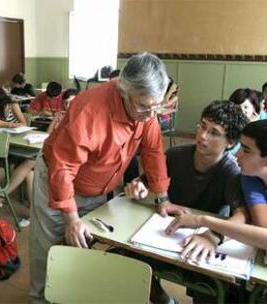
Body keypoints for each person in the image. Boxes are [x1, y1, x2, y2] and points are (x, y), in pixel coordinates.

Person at [30, 52, 176, 303]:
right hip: (58, 180)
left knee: (89, 248)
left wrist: (162, 197)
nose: (150, 115)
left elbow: (153, 152)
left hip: (98, 186)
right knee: (51, 249)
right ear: (123, 90)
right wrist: (72, 217)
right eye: (143, 106)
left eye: (156, 106)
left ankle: (76, 296)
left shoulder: (147, 110)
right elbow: (63, 167)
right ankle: (41, 299)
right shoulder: (91, 109)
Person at [126, 100, 247, 303]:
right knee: (130, 263)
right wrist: (137, 186)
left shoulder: (231, 172)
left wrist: (213, 236)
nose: (202, 136)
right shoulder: (175, 155)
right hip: (163, 234)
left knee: (211, 291)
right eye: (202, 125)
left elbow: (242, 216)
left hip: (200, 242)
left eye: (214, 133)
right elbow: (146, 180)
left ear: (231, 143)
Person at [166, 119, 267, 250]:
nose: (237, 155)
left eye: (246, 151)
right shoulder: (250, 178)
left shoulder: (237, 171)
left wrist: (202, 221)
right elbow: (262, 227)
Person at [0, 85, 32, 228]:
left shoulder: (12, 105)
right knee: (29, 169)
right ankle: (33, 213)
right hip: (2, 146)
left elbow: (24, 123)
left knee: (29, 164)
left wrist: (5, 124)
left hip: (18, 144)